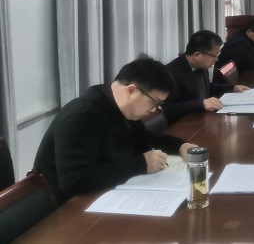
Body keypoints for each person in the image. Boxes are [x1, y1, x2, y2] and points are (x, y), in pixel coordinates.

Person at [33, 57, 198, 203]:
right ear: (131, 91)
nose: (155, 109)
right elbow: (75, 182)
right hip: (69, 208)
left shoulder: (115, 105)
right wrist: (141, 164)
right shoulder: (82, 116)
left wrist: (180, 146)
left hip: (105, 193)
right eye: (154, 102)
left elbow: (144, 137)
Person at [163, 30, 249, 124]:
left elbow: (207, 87)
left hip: (201, 118)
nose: (216, 59)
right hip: (183, 125)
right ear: (197, 55)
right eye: (214, 55)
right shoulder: (171, 73)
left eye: (218, 54)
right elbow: (167, 108)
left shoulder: (201, 65)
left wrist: (232, 88)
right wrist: (201, 104)